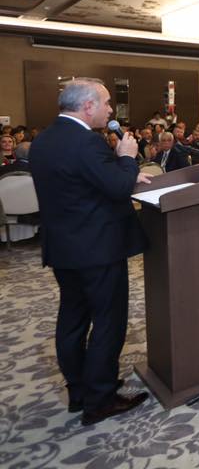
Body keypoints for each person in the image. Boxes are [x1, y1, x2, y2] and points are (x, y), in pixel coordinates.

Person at [31, 78, 151, 425]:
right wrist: (126, 159)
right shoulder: (87, 142)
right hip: (98, 249)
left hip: (64, 247)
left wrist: (121, 171)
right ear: (88, 106)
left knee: (72, 320)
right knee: (108, 322)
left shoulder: (45, 140)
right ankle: (100, 399)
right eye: (107, 103)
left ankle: (79, 390)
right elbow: (116, 187)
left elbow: (82, 182)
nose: (111, 109)